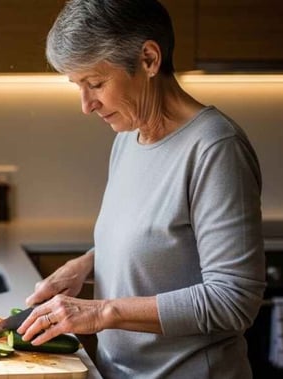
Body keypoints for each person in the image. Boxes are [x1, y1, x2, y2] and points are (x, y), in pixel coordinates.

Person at [16, 1, 266, 377]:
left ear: (148, 59)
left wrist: (102, 312)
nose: (86, 105)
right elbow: (159, 239)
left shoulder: (215, 147)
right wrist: (86, 265)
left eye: (96, 83)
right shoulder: (129, 137)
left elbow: (233, 300)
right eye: (78, 86)